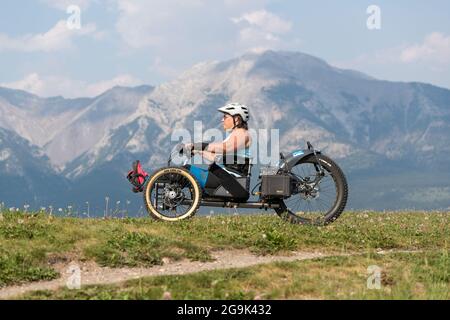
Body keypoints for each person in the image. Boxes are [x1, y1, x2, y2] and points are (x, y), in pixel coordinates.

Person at [187, 102, 252, 200]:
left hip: (232, 182)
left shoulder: (242, 134)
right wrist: (196, 151)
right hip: (226, 179)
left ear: (237, 119)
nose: (222, 120)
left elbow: (224, 148)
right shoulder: (235, 135)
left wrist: (199, 145)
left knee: (186, 170)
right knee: (185, 170)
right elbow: (216, 157)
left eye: (225, 117)